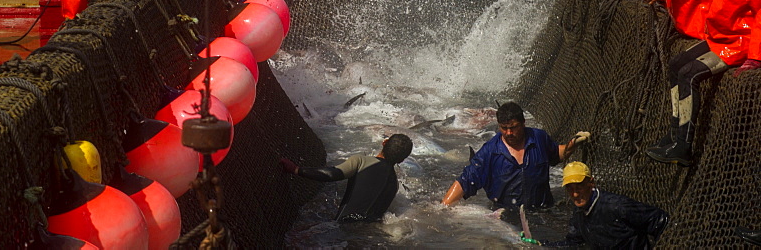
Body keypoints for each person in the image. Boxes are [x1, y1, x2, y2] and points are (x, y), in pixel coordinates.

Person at [646, 0, 761, 165]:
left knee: (689, 74)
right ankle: (674, 133)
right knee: (676, 65)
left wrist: (754, 57)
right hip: (720, 38)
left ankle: (683, 146)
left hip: (738, 44)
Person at [441, 102, 586, 210]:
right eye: (504, 128)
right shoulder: (490, 151)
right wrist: (443, 208)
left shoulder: (539, 138)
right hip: (506, 215)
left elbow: (555, 154)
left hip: (544, 211)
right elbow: (466, 181)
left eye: (513, 127)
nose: (509, 133)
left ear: (523, 123)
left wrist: (572, 144)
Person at [280, 134, 413, 222]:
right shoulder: (394, 185)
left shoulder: (362, 161)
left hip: (340, 227)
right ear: (401, 160)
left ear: (384, 143)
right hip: (364, 238)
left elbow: (332, 174)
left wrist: (297, 170)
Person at [534, 162, 668, 248]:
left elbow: (660, 220)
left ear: (591, 183)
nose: (575, 194)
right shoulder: (579, 212)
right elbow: (573, 243)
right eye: (570, 189)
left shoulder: (617, 206)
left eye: (579, 187)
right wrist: (542, 245)